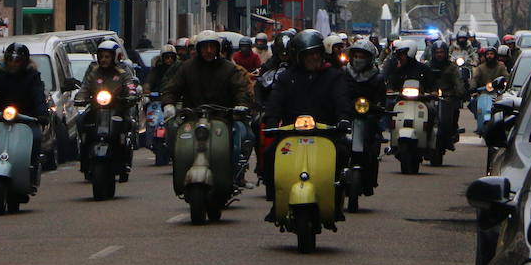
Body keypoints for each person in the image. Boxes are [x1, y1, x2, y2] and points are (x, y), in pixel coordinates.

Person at [261, 30, 353, 220]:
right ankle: (277, 200)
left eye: (316, 53)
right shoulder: (286, 78)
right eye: (308, 54)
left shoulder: (334, 76)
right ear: (299, 56)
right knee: (269, 156)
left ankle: (335, 197)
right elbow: (274, 103)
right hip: (290, 133)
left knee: (343, 153)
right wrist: (271, 122)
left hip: (325, 132)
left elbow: (342, 100)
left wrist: (343, 119)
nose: (314, 58)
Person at [161, 29, 253, 182]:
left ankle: (237, 174)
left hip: (223, 118)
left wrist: (241, 105)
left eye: (212, 46)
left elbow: (240, 89)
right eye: (204, 47)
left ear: (218, 48)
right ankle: (180, 169)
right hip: (192, 117)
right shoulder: (186, 68)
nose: (208, 50)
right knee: (172, 130)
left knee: (244, 135)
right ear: (198, 49)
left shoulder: (229, 69)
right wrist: (168, 104)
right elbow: (172, 88)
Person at [0, 42, 50, 182]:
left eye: (17, 61)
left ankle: (32, 169)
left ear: (24, 62)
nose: (13, 64)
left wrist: (42, 113)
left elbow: (38, 95)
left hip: (26, 117)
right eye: (10, 60)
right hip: (1, 116)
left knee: (35, 138)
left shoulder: (32, 76)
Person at [75, 39, 139, 180]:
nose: (103, 60)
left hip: (118, 110)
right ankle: (84, 155)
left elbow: (130, 86)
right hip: (96, 109)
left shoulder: (122, 73)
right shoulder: (93, 72)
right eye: (101, 56)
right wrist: (80, 98)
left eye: (107, 57)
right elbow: (84, 88)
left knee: (128, 124)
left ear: (115, 57)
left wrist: (131, 96)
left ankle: (124, 159)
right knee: (80, 121)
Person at [345, 38, 387, 194]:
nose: (358, 59)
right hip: (346, 117)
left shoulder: (377, 77)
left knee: (374, 144)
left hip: (368, 118)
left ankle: (369, 180)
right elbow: (336, 96)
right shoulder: (343, 74)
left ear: (370, 59)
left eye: (362, 56)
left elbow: (381, 102)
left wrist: (375, 108)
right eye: (356, 55)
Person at [428, 40, 466, 152]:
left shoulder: (452, 68)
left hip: (447, 97)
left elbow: (458, 82)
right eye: (437, 52)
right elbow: (421, 80)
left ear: (446, 53)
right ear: (433, 53)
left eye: (442, 52)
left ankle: (451, 134)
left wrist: (460, 93)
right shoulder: (427, 66)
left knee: (454, 110)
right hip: (429, 97)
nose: (439, 54)